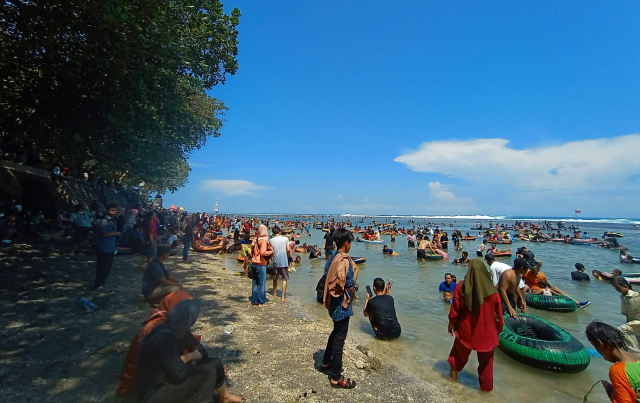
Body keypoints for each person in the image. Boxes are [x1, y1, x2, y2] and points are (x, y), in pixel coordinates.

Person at [138, 300, 243, 403]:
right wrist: (191, 356)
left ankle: (225, 397)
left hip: (172, 374)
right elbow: (180, 373)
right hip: (154, 393)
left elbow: (202, 351)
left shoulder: (179, 329)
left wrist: (187, 358)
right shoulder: (164, 339)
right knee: (207, 372)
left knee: (215, 363)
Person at [117, 290, 193, 395]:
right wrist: (193, 357)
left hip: (141, 369)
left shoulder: (163, 318)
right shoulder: (162, 328)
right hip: (143, 378)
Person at [447, 258, 503, 392]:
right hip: (487, 333)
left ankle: (452, 385)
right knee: (486, 365)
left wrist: (452, 324)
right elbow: (499, 317)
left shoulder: (461, 287)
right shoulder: (494, 292)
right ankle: (485, 394)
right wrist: (497, 331)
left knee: (457, 358)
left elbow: (455, 310)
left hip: (466, 330)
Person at [320, 228, 359, 389]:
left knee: (335, 332)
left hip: (332, 302)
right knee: (339, 338)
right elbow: (348, 284)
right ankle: (336, 377)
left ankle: (326, 361)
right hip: (341, 305)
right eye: (350, 242)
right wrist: (355, 279)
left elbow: (326, 273)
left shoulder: (333, 258)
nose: (350, 246)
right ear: (346, 243)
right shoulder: (345, 260)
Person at [585, 321, 640, 402]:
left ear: (601, 345)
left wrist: (610, 392)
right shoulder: (638, 363)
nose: (603, 357)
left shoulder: (617, 371)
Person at [524, 262, 590, 307]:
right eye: (531, 270)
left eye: (534, 270)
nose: (532, 271)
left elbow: (547, 285)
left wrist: (552, 290)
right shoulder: (527, 273)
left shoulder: (542, 276)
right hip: (531, 290)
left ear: (538, 270)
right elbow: (521, 280)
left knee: (555, 288)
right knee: (526, 286)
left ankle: (575, 302)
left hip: (540, 290)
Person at [94, 203, 120, 290]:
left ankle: (102, 283)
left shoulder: (113, 220)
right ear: (107, 210)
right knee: (102, 267)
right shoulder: (104, 221)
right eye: (112, 210)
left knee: (107, 267)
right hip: (104, 248)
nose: (114, 212)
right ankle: (98, 284)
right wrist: (115, 233)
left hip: (111, 247)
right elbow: (103, 234)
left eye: (115, 210)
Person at [250, 224, 273, 307]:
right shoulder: (264, 240)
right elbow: (263, 253)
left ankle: (254, 300)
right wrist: (271, 252)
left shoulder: (255, 239)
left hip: (254, 262)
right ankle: (262, 301)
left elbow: (251, 251)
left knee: (255, 282)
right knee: (262, 283)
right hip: (261, 263)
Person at [269, 226, 290, 303]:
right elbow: (288, 249)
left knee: (275, 278)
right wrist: (288, 257)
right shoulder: (285, 239)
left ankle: (274, 293)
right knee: (284, 279)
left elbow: (271, 251)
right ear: (280, 231)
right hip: (284, 261)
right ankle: (283, 297)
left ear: (273, 232)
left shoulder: (271, 240)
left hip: (276, 261)